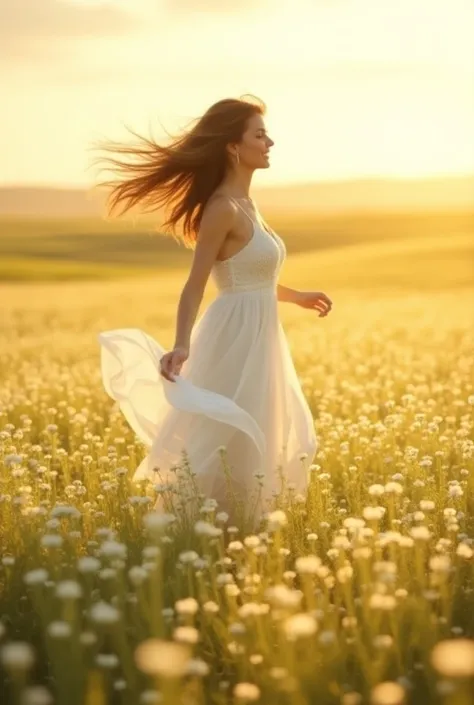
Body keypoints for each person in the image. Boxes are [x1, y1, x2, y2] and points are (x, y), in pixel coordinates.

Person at [96, 95, 332, 527]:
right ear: (232, 146)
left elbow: (247, 277)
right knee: (228, 437)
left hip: (261, 336)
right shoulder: (223, 208)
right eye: (259, 135)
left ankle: (238, 533)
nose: (270, 142)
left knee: (258, 434)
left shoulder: (249, 205)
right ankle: (203, 534)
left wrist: (295, 296)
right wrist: (182, 344)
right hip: (234, 338)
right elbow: (196, 284)